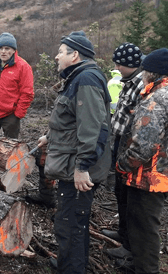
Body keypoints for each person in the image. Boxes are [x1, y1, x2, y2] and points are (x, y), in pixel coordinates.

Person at [38, 31, 111, 273]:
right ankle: (67, 262)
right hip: (71, 164)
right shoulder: (78, 78)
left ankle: (71, 268)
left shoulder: (86, 80)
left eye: (60, 52)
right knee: (69, 222)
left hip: (77, 169)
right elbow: (72, 120)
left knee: (71, 224)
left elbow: (92, 128)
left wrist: (82, 168)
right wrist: (50, 137)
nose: (56, 56)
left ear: (75, 54)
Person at [115, 48, 168, 274]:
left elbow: (142, 147)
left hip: (148, 177)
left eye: (145, 69)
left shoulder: (156, 101)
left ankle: (146, 269)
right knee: (142, 227)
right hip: (163, 173)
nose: (142, 73)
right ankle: (138, 265)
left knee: (144, 230)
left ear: (153, 73)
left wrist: (121, 165)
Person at [100, 43, 146, 263]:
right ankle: (122, 232)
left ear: (131, 64)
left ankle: (129, 245)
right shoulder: (126, 81)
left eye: (119, 63)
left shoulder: (141, 84)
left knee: (128, 194)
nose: (116, 66)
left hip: (130, 144)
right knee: (119, 191)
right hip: (119, 140)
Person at [0, 32, 34, 139]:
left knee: (11, 147)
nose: (3, 51)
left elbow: (27, 93)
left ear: (14, 50)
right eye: (1, 48)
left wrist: (18, 114)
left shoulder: (23, 66)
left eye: (7, 48)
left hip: (11, 115)